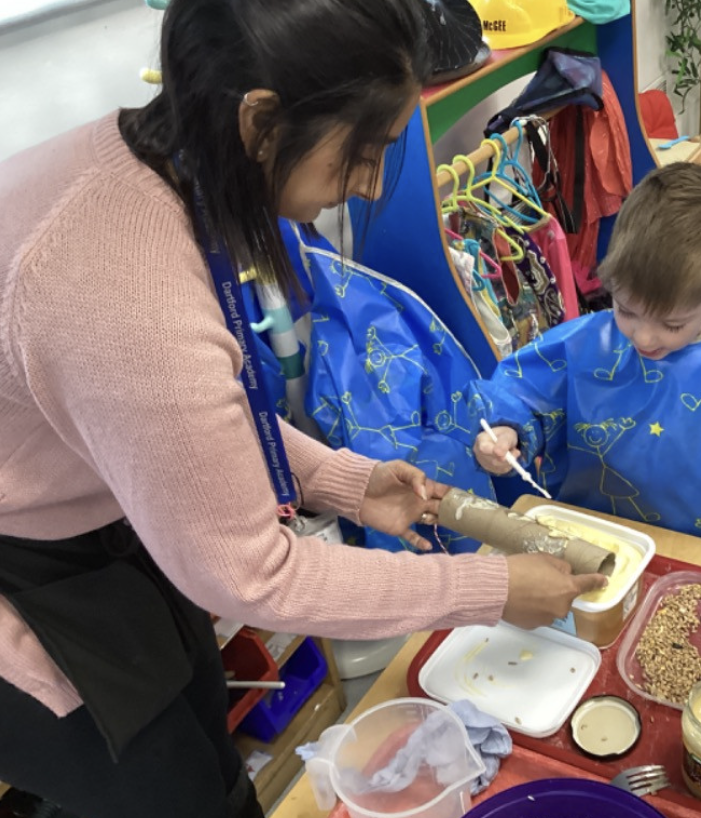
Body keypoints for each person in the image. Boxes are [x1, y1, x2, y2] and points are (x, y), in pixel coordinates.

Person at [0, 1, 605, 816]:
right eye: (361, 153)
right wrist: (486, 587)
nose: (367, 185)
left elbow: (203, 422)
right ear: (259, 119)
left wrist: (345, 482)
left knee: (200, 711)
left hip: (85, 496)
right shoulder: (128, 297)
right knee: (169, 786)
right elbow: (253, 571)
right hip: (23, 558)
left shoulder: (166, 161)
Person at [471, 163, 701, 557]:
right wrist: (506, 431)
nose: (644, 338)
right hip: (587, 542)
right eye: (626, 310)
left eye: (672, 323)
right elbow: (522, 392)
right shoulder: (585, 342)